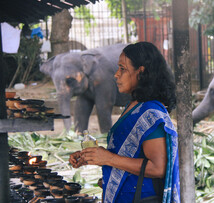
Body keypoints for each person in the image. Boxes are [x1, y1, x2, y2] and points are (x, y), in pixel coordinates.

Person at [69, 42, 180, 203]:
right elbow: (129, 152)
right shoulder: (134, 106)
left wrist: (108, 159)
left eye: (123, 69)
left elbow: (158, 167)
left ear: (140, 72)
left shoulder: (151, 113)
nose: (116, 74)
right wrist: (94, 156)